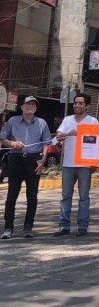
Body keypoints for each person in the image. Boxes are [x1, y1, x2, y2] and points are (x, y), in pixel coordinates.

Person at [0, 96, 51, 239]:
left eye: (33, 104)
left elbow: (46, 143)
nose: (31, 106)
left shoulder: (41, 123)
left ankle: (28, 227)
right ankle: (8, 228)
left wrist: (42, 160)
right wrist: (12, 144)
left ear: (36, 108)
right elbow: (2, 139)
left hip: (33, 160)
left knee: (32, 196)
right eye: (28, 104)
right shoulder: (12, 121)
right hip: (15, 159)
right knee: (11, 196)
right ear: (21, 107)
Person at [55, 92, 99, 236]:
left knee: (84, 197)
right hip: (68, 164)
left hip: (85, 165)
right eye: (75, 103)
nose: (77, 105)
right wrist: (69, 134)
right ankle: (64, 226)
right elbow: (58, 137)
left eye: (80, 103)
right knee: (66, 196)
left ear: (87, 106)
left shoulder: (93, 121)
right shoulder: (67, 120)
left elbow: (98, 143)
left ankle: (82, 226)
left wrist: (95, 163)